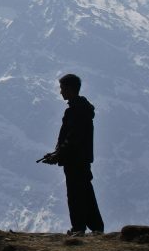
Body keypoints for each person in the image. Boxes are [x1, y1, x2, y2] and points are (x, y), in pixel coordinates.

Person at [43, 74, 104, 236]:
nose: (61, 92)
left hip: (75, 159)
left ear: (69, 89)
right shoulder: (81, 109)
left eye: (62, 88)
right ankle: (96, 226)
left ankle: (79, 227)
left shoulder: (76, 111)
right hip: (80, 158)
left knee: (76, 193)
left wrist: (58, 154)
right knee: (85, 191)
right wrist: (57, 153)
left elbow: (72, 137)